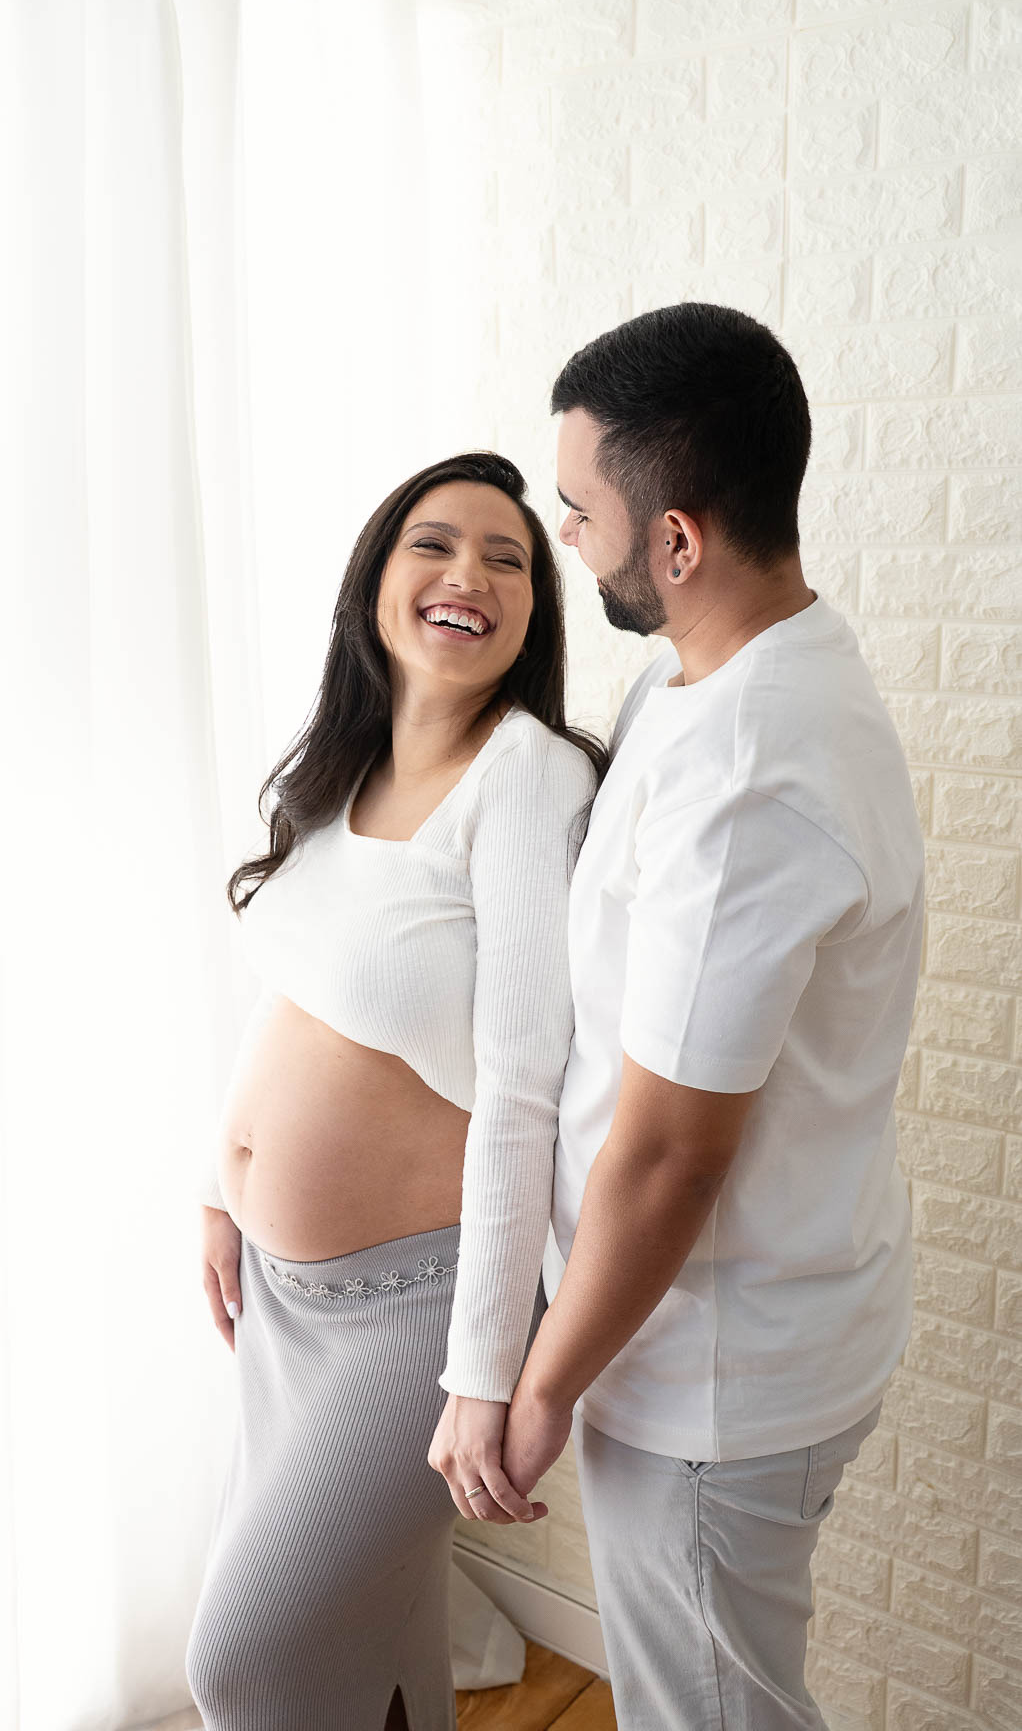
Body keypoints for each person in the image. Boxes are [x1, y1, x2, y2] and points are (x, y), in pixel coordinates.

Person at [499, 303, 925, 1730]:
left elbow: (673, 1154)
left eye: (578, 513)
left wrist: (541, 1385)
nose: (566, 538)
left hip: (707, 1382)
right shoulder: (706, 677)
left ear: (674, 539)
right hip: (701, 1331)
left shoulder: (752, 770)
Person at [184, 451, 604, 1731]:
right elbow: (288, 1001)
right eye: (434, 543)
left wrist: (487, 1371)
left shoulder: (525, 774)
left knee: (241, 1659)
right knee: (372, 1630)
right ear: (376, 576)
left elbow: (528, 1083)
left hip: (412, 1317)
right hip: (278, 1292)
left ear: (532, 611)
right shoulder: (341, 771)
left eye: (509, 558)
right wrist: (220, 1189)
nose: (468, 574)